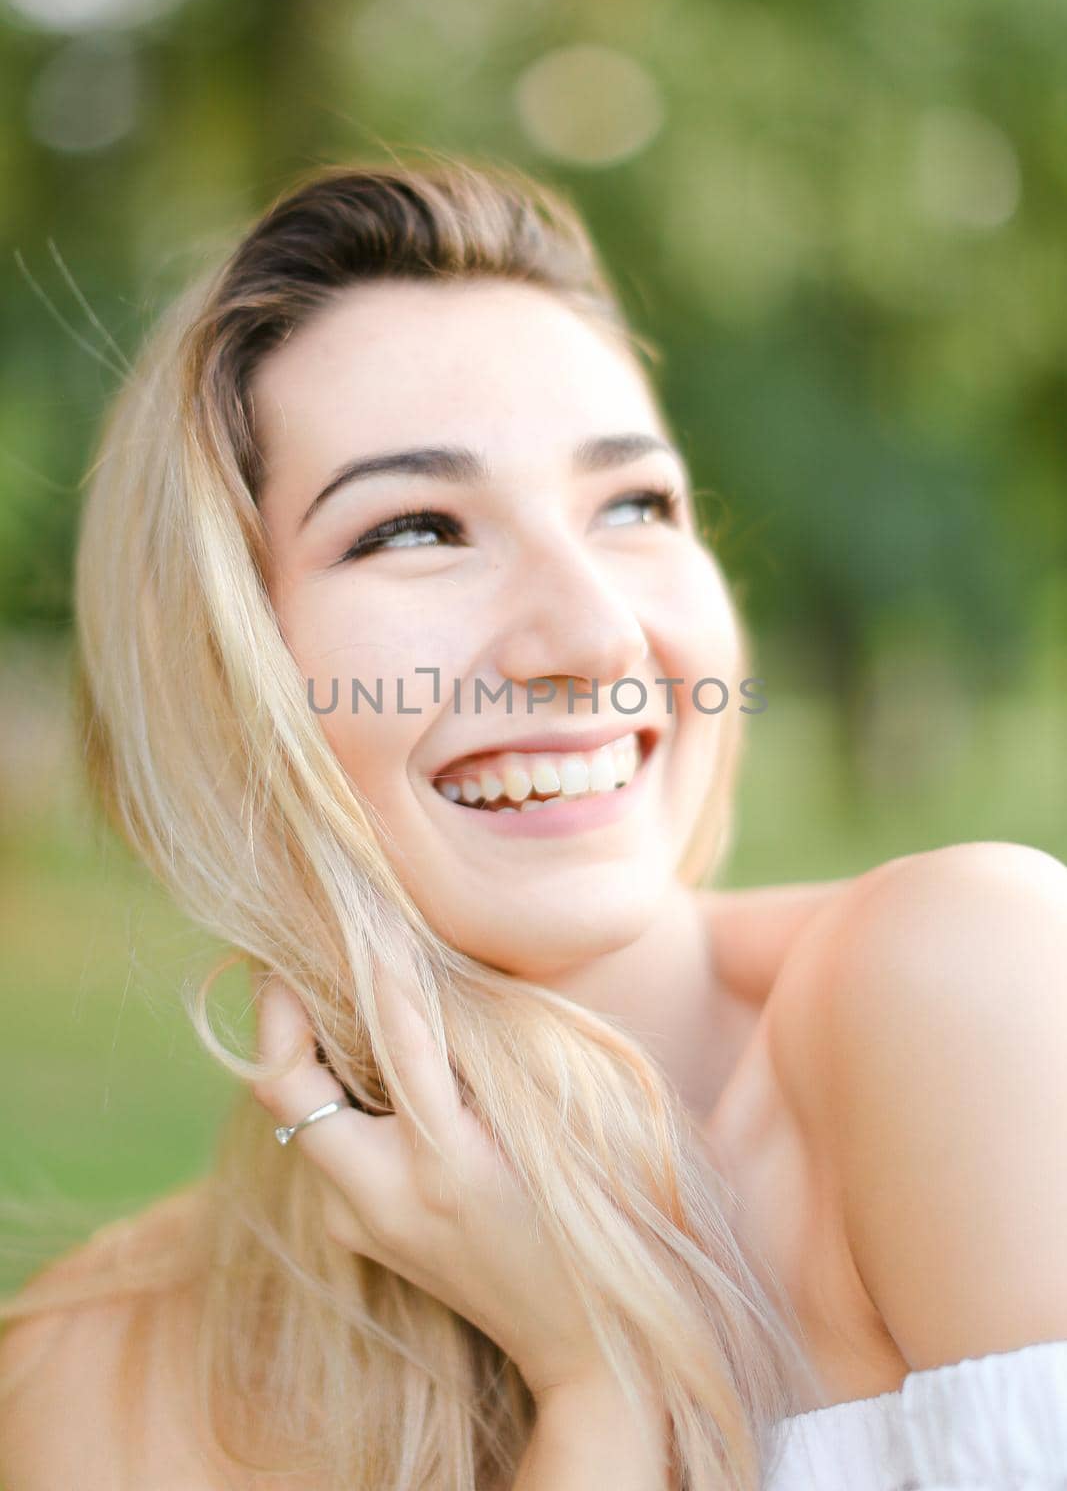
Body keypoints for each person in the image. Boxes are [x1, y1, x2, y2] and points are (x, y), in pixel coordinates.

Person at [0, 158, 1064, 1491]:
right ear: (222, 673)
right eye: (417, 529)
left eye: (633, 506)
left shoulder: (973, 983)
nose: (593, 637)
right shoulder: (92, 1376)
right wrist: (599, 1400)